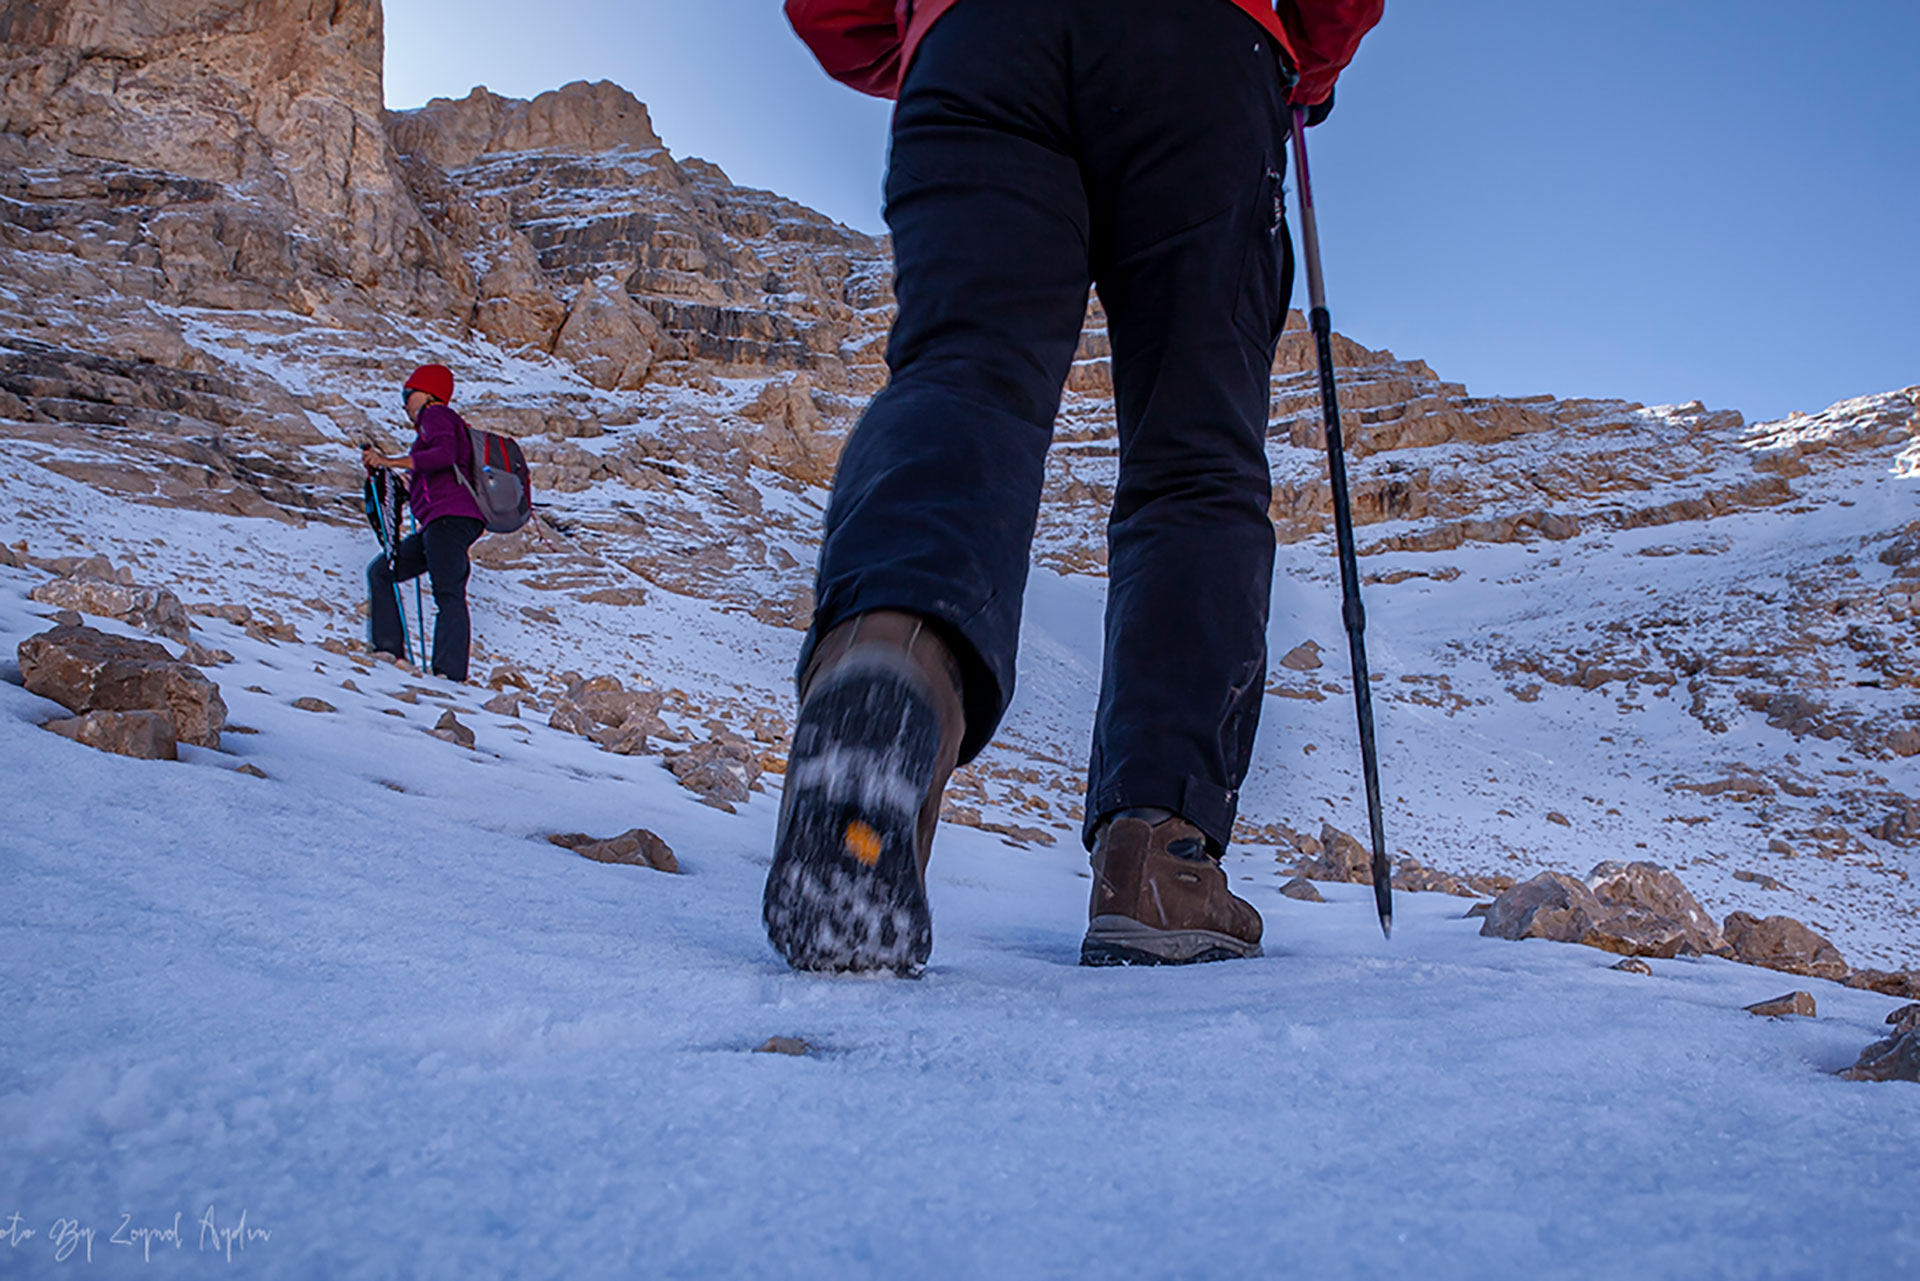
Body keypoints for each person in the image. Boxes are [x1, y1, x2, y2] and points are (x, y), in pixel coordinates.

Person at [764, 0, 1383, 975]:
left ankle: (888, 663)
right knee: (1195, 457)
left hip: (982, 44)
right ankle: (1158, 857)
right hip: (1207, 52)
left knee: (965, 370)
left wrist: (920, 33)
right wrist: (1308, 64)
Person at [361, 364, 486, 683]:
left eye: (407, 394)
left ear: (428, 394)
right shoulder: (438, 424)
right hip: (442, 521)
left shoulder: (437, 415)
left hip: (449, 519)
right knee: (382, 571)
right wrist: (402, 480)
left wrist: (388, 461)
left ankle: (448, 672)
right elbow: (436, 468)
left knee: (448, 591)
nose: (404, 404)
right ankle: (389, 650)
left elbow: (443, 455)